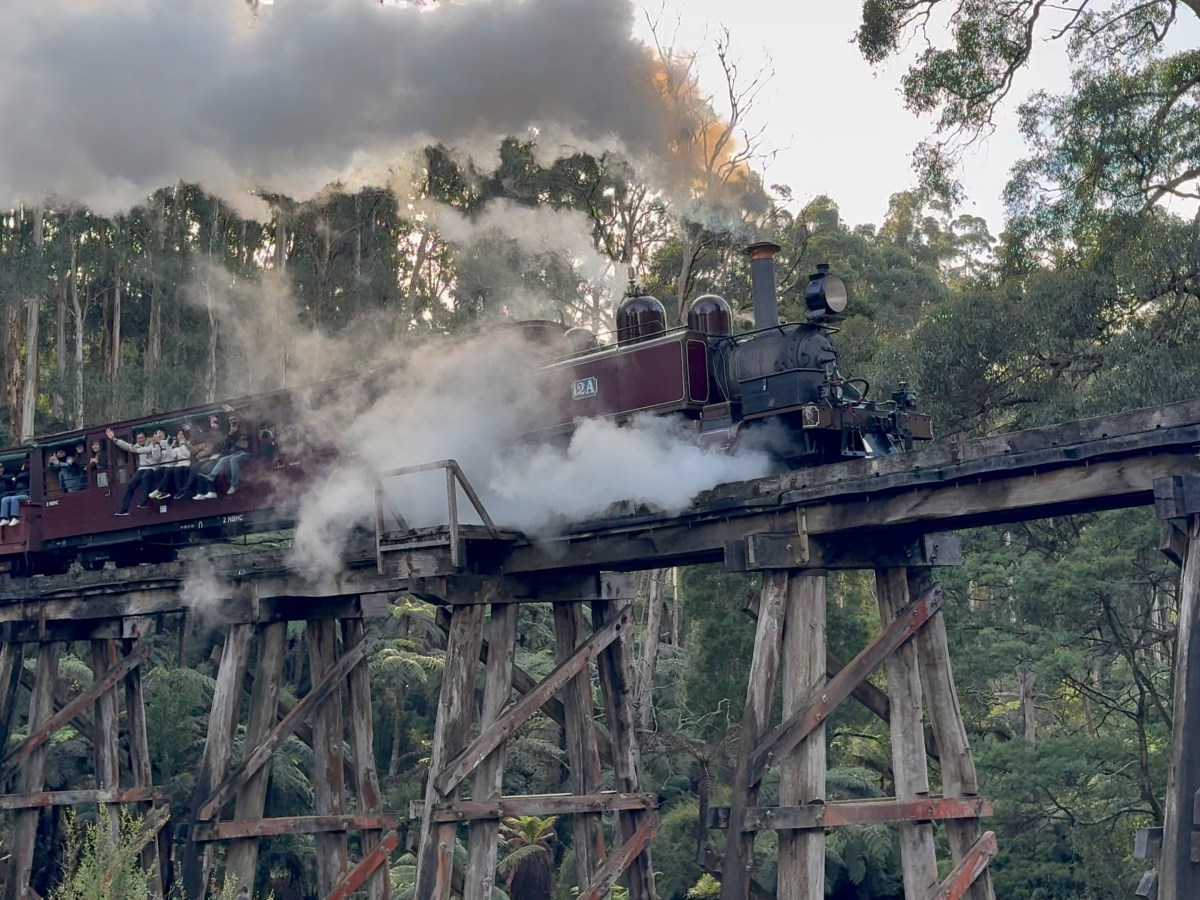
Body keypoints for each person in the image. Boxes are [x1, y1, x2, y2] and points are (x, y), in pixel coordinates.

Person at [106, 427, 168, 515]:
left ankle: (143, 502)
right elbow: (127, 446)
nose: (140, 440)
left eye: (142, 438)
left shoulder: (152, 444)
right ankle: (123, 510)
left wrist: (136, 450)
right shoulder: (137, 445)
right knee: (130, 485)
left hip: (153, 467)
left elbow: (149, 450)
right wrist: (114, 439)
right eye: (138, 438)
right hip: (142, 468)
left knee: (145, 477)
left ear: (146, 438)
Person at [197, 413, 253, 497]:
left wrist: (236, 432)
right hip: (236, 453)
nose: (232, 421)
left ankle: (234, 485)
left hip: (247, 453)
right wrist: (230, 434)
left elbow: (244, 441)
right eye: (230, 420)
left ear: (238, 419)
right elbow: (226, 446)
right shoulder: (230, 431)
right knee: (223, 459)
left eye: (234, 419)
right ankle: (212, 476)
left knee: (233, 460)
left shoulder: (243, 428)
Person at [150, 429, 192, 499]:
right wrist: (168, 446)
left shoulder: (188, 443)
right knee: (166, 471)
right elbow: (172, 455)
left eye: (182, 434)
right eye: (179, 434)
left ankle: (160, 490)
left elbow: (187, 455)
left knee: (175, 469)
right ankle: (164, 491)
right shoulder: (177, 445)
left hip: (187, 463)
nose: (180, 436)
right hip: (179, 464)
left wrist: (182, 444)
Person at [0, 458, 31, 526]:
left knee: (14, 499)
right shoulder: (19, 474)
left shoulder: (28, 473)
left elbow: (22, 476)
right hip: (17, 494)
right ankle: (4, 518)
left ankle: (15, 517)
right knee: (5, 499)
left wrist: (15, 479)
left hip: (26, 494)